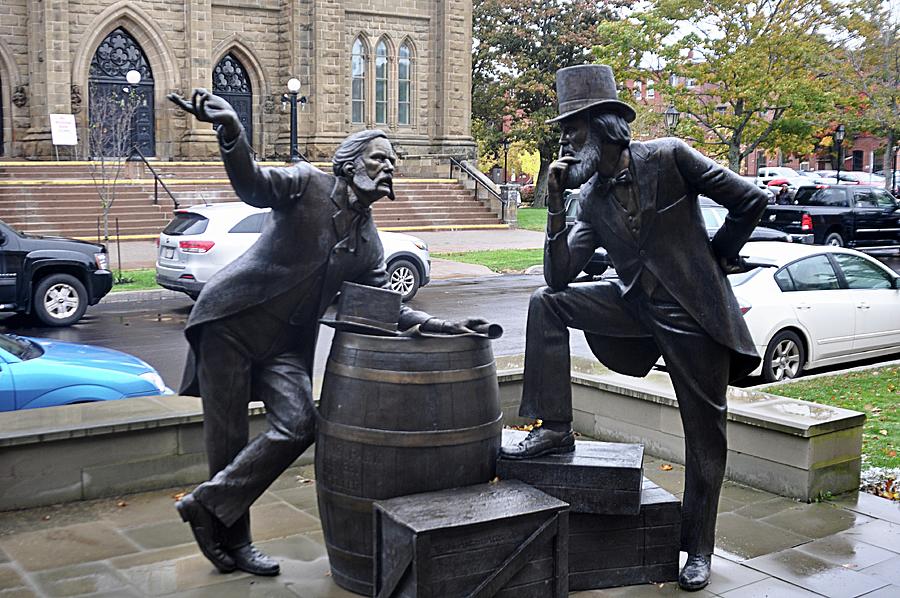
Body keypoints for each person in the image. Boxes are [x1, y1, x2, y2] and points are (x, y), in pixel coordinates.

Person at [168, 89, 484, 577]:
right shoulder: (304, 183)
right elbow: (252, 185)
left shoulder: (368, 241)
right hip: (231, 322)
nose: (388, 167)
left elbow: (385, 306)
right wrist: (231, 131)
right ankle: (235, 542)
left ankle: (206, 504)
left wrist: (442, 326)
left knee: (300, 425)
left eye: (393, 162)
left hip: (285, 346)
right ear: (350, 163)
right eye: (379, 158)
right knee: (226, 442)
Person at [499, 65, 767, 591]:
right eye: (563, 134)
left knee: (705, 438)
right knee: (546, 303)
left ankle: (698, 547)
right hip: (635, 308)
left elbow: (750, 199)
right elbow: (558, 275)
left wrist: (715, 259)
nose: (565, 145)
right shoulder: (589, 199)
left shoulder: (669, 156)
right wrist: (554, 206)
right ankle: (553, 426)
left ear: (604, 127)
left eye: (573, 132)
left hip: (693, 315)